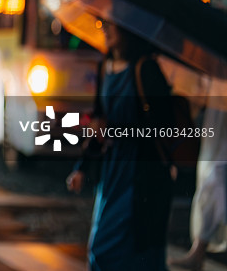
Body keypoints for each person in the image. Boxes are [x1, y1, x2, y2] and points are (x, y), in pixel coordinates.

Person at [66, 21, 175, 270]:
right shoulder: (105, 66)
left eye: (111, 24)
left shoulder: (146, 69)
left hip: (141, 175)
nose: (104, 28)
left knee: (130, 253)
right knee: (102, 250)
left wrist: (114, 130)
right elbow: (100, 117)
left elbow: (165, 127)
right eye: (103, 22)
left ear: (128, 28)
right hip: (113, 173)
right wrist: (82, 166)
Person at [169, 99, 227, 271]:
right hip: (218, 112)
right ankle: (199, 249)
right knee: (211, 179)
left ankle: (199, 249)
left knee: (214, 180)